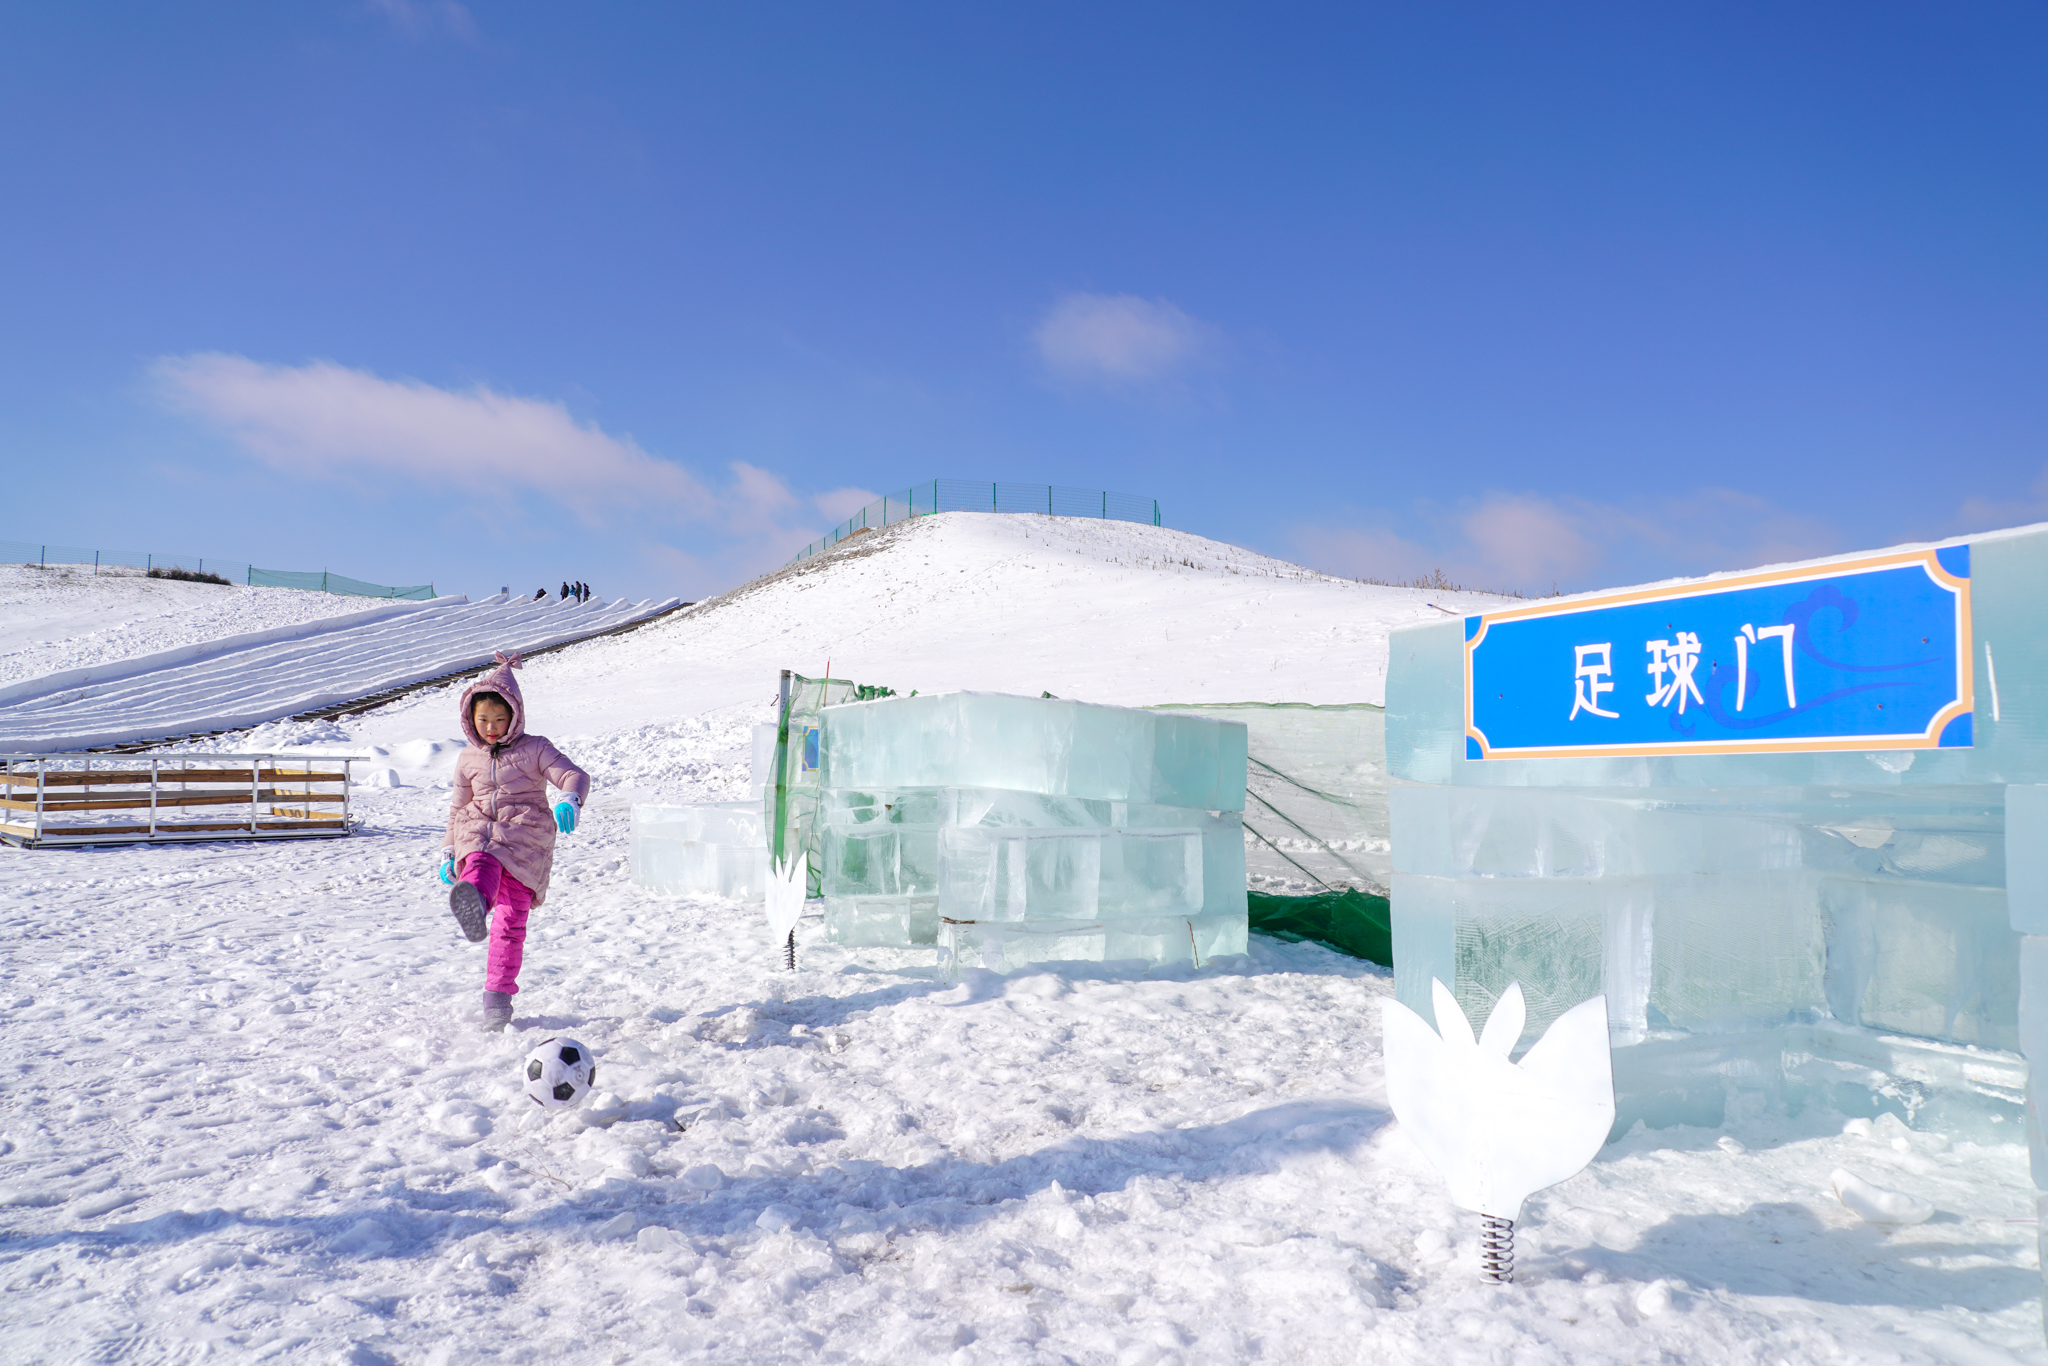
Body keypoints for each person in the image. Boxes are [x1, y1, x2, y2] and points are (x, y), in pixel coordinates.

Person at [437, 651, 591, 1032]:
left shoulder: (535, 748)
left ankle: (498, 1001)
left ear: (515, 716)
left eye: (500, 719)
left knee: (510, 926)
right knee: (480, 860)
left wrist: (570, 797)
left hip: (524, 840)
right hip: (478, 834)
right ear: (470, 718)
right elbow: (458, 808)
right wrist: (448, 850)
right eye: (483, 719)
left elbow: (573, 775)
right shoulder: (467, 758)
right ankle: (473, 899)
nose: (491, 727)